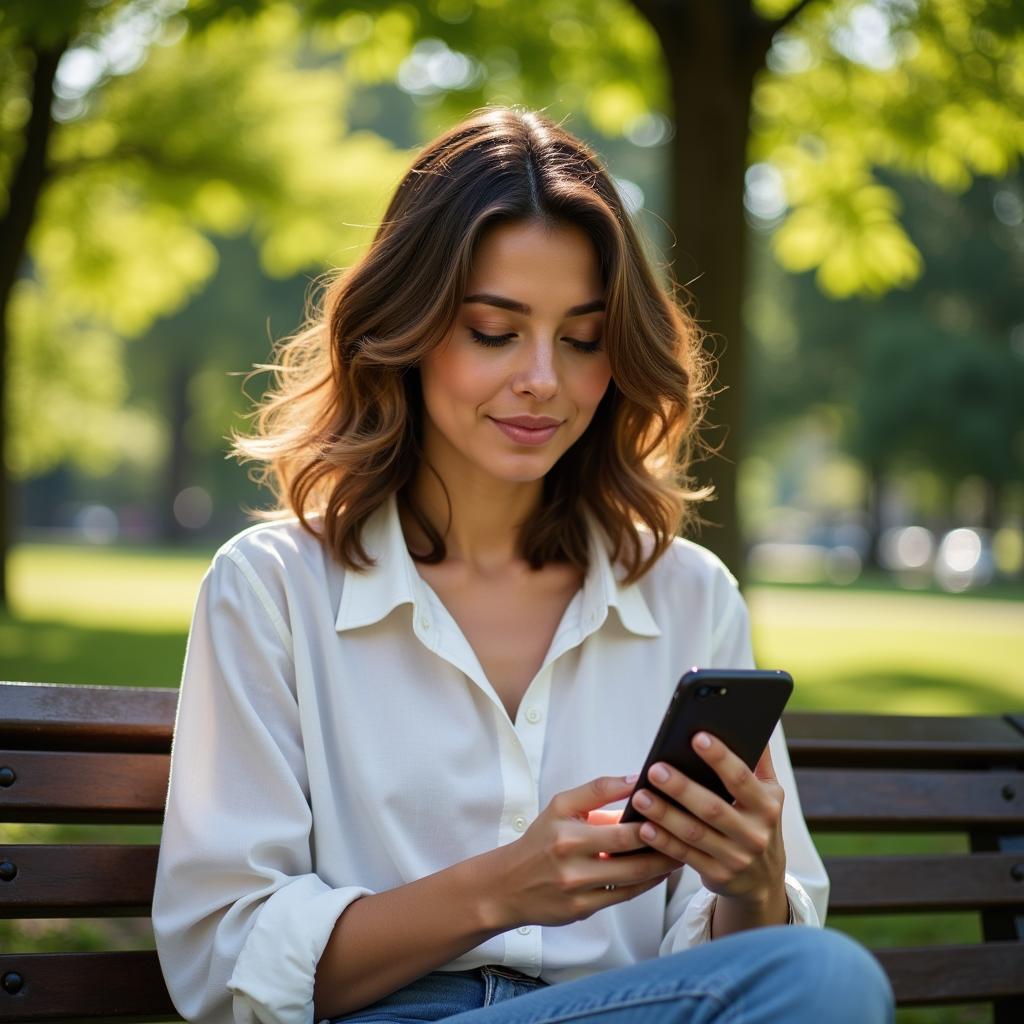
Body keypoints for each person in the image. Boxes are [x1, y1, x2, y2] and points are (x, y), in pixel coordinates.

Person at [152, 107, 894, 1024]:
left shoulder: (689, 594)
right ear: (409, 330)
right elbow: (226, 959)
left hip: (625, 1009)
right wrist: (501, 889)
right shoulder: (272, 587)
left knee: (816, 974)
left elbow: (739, 983)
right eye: (495, 331)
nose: (543, 377)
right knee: (829, 982)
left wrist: (752, 879)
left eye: (582, 340)